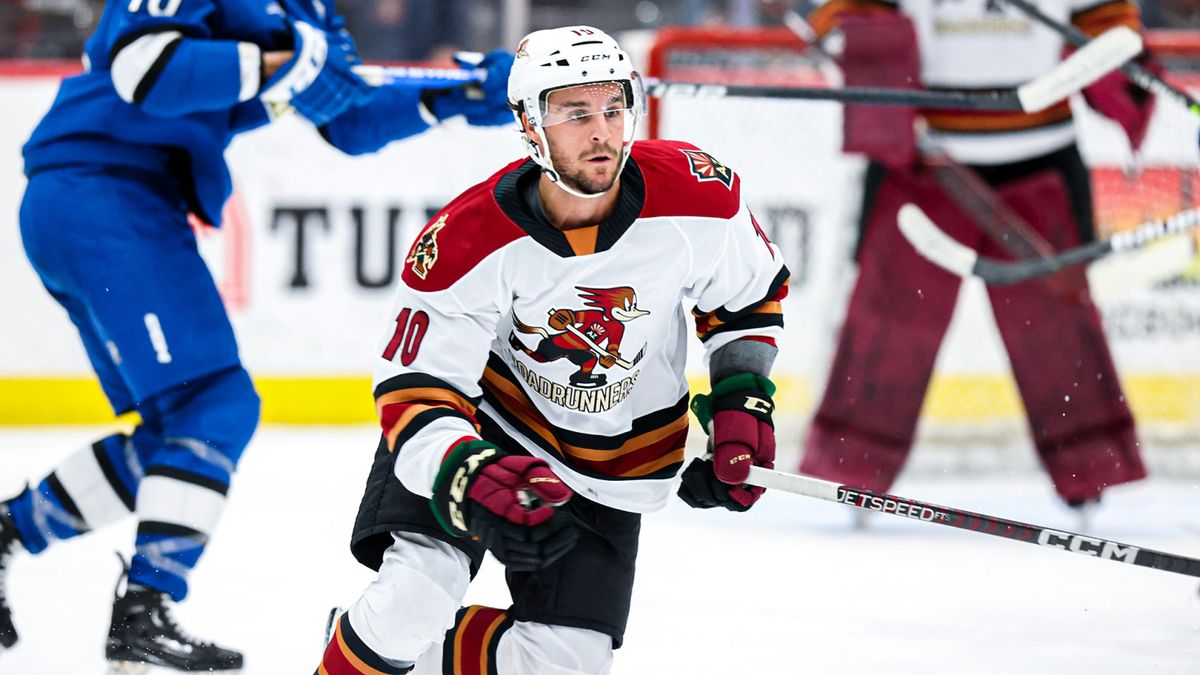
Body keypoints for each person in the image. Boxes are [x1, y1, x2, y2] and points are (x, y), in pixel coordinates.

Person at [0, 0, 513, 668]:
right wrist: (284, 61)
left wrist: (455, 97)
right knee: (214, 406)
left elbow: (349, 116)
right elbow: (144, 68)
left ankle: (14, 533)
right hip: (102, 191)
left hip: (121, 198)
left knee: (182, 431)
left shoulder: (307, 9)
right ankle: (143, 611)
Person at [315, 25, 788, 675]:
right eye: (575, 113)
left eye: (614, 108)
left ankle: (369, 650)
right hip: (484, 427)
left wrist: (741, 400)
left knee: (565, 663)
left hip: (609, 463)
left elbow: (747, 299)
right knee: (414, 597)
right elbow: (417, 390)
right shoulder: (467, 239)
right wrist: (468, 472)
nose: (601, 132)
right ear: (529, 124)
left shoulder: (698, 196)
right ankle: (370, 648)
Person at [797, 0, 1152, 520]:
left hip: (1042, 157)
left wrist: (1126, 70)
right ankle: (855, 469)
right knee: (889, 322)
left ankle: (1087, 470)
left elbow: (1110, 25)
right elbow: (848, 14)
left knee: (1056, 331)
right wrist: (851, 45)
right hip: (923, 161)